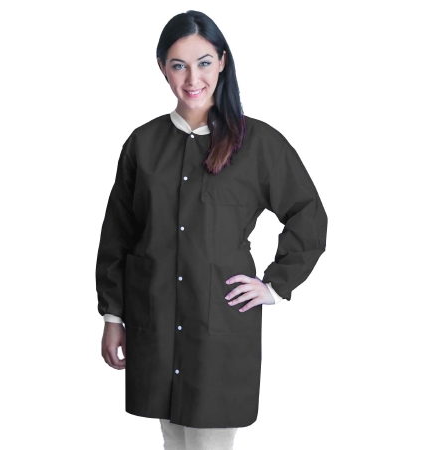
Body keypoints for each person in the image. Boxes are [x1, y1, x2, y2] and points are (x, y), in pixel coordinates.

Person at [95, 10, 328, 450]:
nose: (192, 78)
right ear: (162, 67)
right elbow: (118, 235)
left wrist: (275, 285)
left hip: (217, 328)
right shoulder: (143, 144)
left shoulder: (257, 144)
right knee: (173, 441)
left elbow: (308, 214)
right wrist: (113, 315)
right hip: (156, 323)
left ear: (222, 61)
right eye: (178, 65)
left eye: (203, 62)